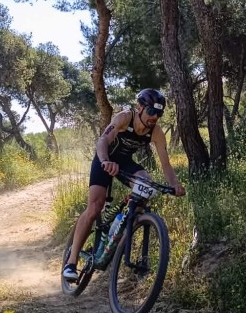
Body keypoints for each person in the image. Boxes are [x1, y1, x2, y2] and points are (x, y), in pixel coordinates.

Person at [63, 88, 186, 281]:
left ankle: (123, 228)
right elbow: (103, 140)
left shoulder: (156, 132)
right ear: (140, 108)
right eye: (151, 111)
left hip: (124, 163)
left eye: (159, 113)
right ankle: (71, 261)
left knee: (146, 182)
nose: (155, 117)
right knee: (95, 207)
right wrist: (105, 161)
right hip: (104, 159)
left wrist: (175, 184)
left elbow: (166, 164)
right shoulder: (124, 117)